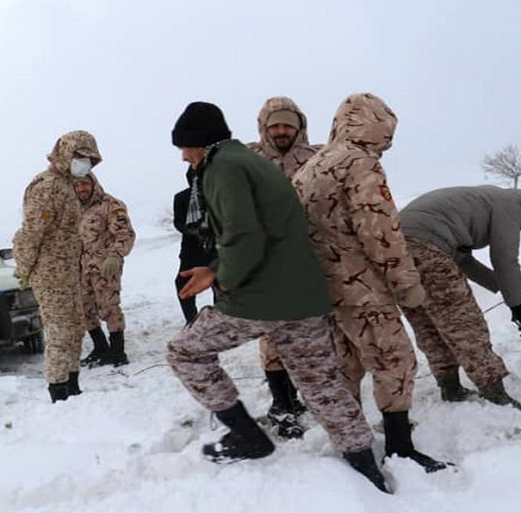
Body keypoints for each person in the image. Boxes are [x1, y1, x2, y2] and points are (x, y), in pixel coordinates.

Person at [165, 101, 390, 493]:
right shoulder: (248, 161)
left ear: (200, 143)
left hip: (262, 297)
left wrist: (225, 281)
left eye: (184, 147)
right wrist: (216, 267)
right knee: (321, 383)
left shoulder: (224, 168)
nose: (183, 155)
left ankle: (246, 436)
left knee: (185, 352)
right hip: (301, 296)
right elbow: (257, 228)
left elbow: (244, 235)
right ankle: (365, 467)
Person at [292, 92, 449, 473]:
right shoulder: (360, 163)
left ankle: (352, 444)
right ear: (376, 126)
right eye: (387, 132)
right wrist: (405, 282)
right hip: (362, 288)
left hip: (323, 288)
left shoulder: (313, 165)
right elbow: (379, 230)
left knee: (346, 365)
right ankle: (399, 448)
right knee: (396, 361)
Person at [398, 185, 521, 411]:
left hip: (391, 252)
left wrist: (511, 291)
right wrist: (517, 304)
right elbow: (505, 259)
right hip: (427, 248)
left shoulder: (479, 201)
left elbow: (462, 260)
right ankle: (497, 397)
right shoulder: (511, 205)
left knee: (428, 323)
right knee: (464, 323)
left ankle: (451, 388)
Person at [246, 96, 320, 438]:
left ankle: (314, 395)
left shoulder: (317, 158)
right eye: (274, 125)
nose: (280, 131)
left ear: (299, 127)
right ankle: (283, 404)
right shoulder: (248, 159)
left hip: (313, 260)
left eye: (287, 125)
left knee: (316, 334)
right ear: (264, 126)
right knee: (272, 334)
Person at [13, 130, 100, 402]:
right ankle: (58, 390)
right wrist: (23, 269)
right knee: (61, 332)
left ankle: (72, 386)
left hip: (68, 270)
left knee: (75, 327)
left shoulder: (66, 185)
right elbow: (32, 232)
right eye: (80, 156)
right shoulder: (47, 186)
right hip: (50, 273)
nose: (85, 163)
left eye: (89, 158)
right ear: (65, 154)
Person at [74, 173, 136, 367]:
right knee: (84, 308)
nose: (81, 189)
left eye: (85, 184)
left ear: (94, 184)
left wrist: (115, 256)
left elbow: (125, 234)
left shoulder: (111, 205)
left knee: (108, 307)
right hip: (81, 268)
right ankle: (100, 347)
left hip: (105, 266)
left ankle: (118, 352)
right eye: (76, 185)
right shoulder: (74, 208)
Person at [172, 167, 212, 326]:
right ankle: (192, 320)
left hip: (215, 248)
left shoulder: (215, 194)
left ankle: (221, 317)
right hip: (191, 249)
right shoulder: (181, 197)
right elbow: (178, 222)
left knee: (219, 283)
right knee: (182, 284)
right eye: (192, 176)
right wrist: (194, 231)